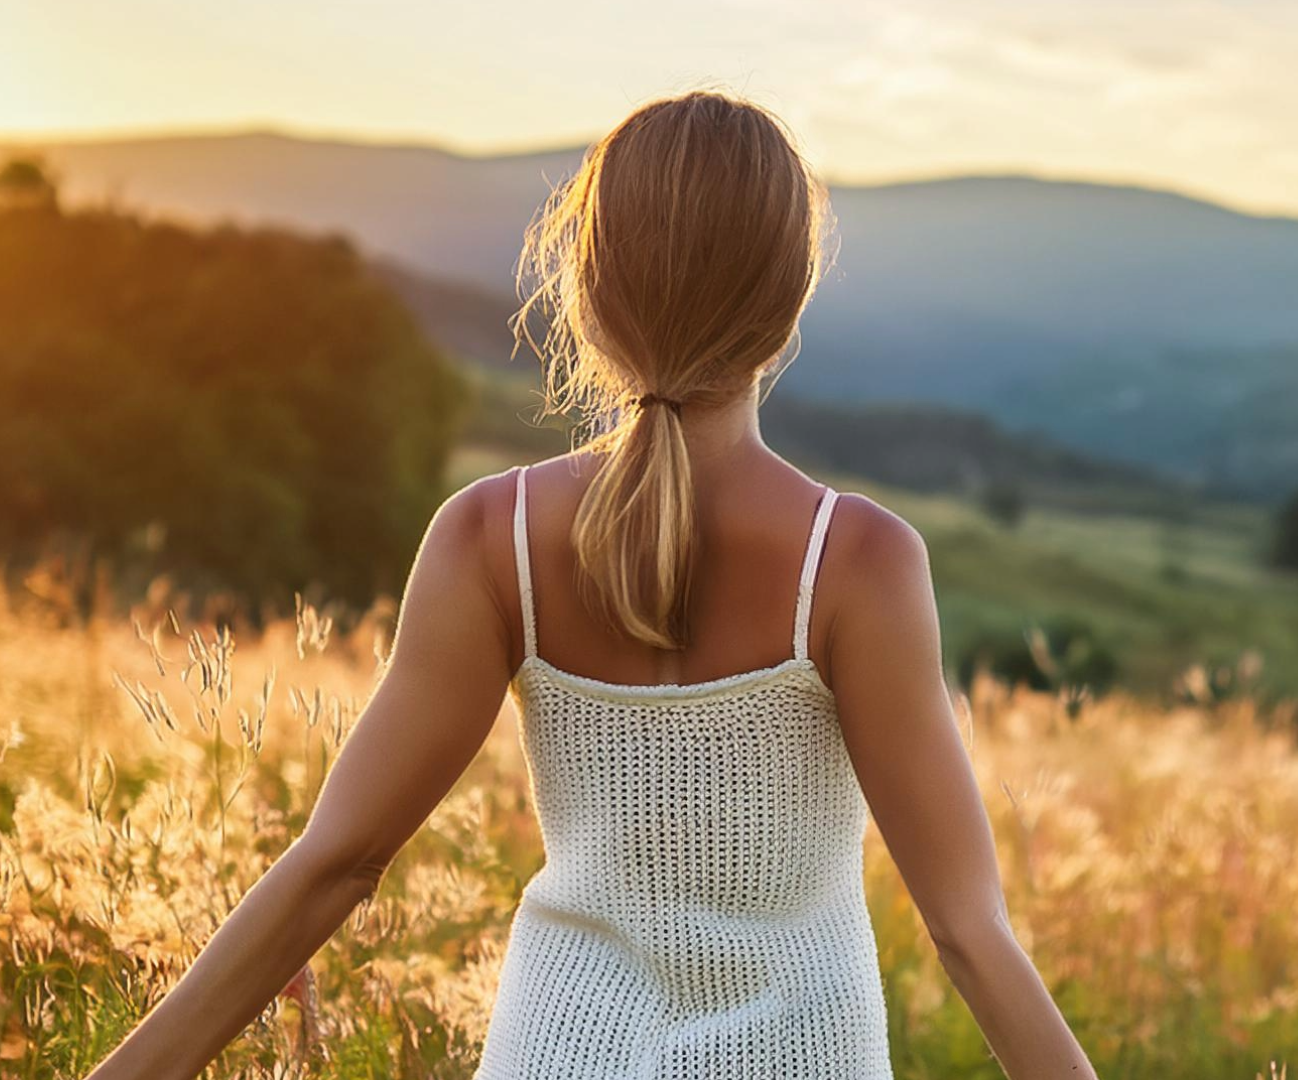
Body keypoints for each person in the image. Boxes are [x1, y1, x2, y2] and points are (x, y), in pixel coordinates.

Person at [85, 88, 1098, 1079]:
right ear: (787, 307)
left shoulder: (490, 538)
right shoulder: (860, 561)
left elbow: (336, 865)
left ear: (589, 294)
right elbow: (967, 935)